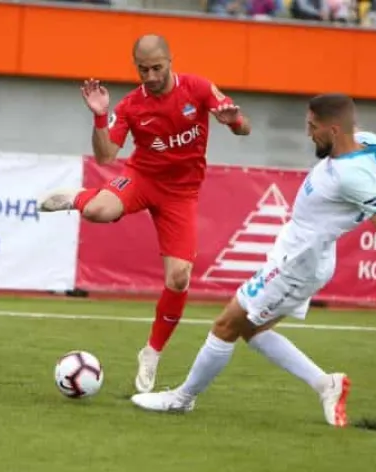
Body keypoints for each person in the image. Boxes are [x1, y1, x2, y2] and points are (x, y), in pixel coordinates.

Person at [129, 93, 376, 427]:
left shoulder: (351, 176)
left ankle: (182, 398)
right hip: (298, 252)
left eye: (313, 127)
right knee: (252, 329)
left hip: (298, 263)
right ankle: (326, 385)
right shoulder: (370, 143)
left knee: (226, 325)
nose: (308, 133)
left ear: (334, 130)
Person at [38, 34, 251, 394]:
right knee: (98, 210)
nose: (150, 76)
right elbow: (106, 156)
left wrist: (233, 121)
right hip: (143, 178)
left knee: (179, 278)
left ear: (170, 61)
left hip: (181, 194)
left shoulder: (198, 88)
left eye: (156, 68)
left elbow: (245, 128)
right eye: (142, 69)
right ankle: (79, 198)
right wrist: (100, 115)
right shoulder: (132, 105)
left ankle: (152, 352)